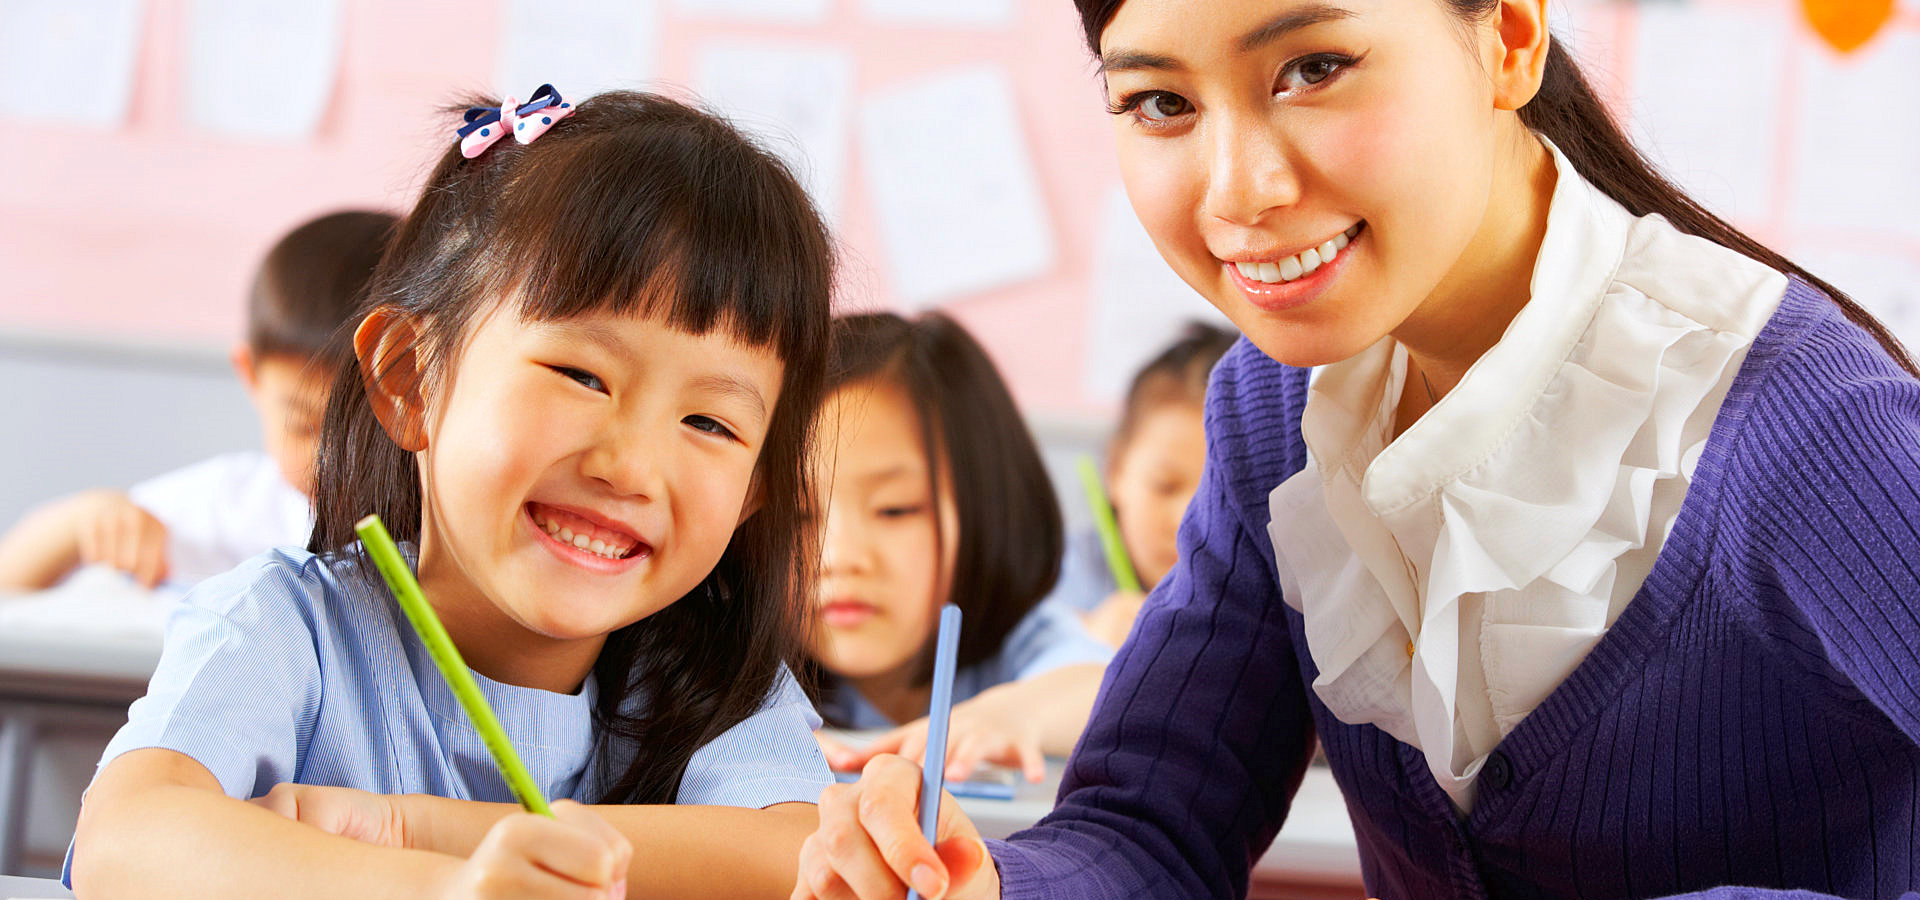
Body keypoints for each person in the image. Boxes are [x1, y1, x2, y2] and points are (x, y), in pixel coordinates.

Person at [792, 0, 1920, 897]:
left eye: (1314, 66)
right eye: (1158, 102)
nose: (1239, 190)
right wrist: (977, 885)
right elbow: (1150, 829)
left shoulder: (1805, 426)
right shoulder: (1268, 414)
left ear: (1511, 37)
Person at [68, 87, 835, 900]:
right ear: (411, 380)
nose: (632, 467)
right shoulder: (286, 633)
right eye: (582, 375)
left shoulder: (713, 683)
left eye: (711, 423)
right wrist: (445, 890)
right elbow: (125, 839)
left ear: (755, 490)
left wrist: (423, 831)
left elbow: (796, 854)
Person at [0, 210, 395, 590]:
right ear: (251, 376)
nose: (333, 464)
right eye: (302, 425)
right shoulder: (226, 507)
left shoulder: (441, 531)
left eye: (369, 433)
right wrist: (81, 522)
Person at [809, 312, 1113, 784]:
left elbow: (1104, 690)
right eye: (796, 516)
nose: (839, 557)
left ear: (986, 510)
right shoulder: (749, 670)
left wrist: (1013, 715)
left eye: (895, 509)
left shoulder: (1017, 639)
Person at [1054, 322, 1236, 645]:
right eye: (1164, 485)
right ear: (1116, 471)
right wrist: (1081, 642)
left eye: (1221, 496)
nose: (1185, 521)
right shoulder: (1058, 577)